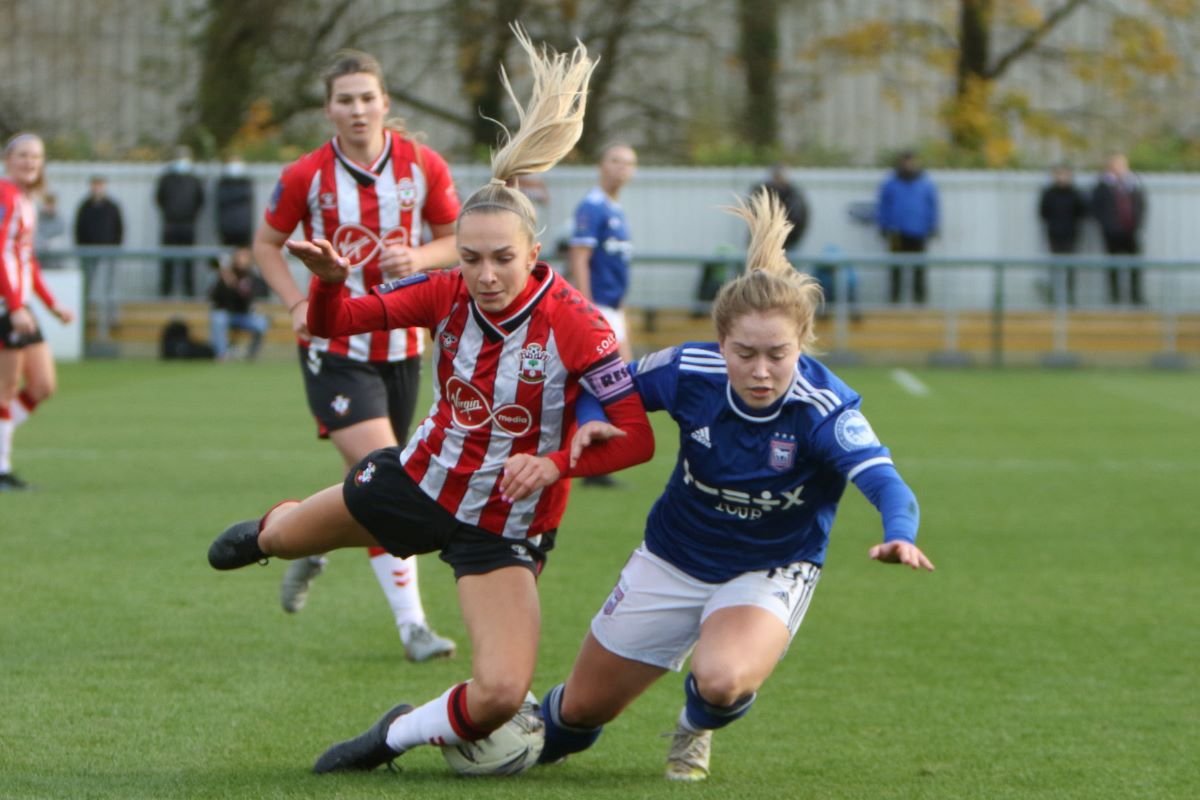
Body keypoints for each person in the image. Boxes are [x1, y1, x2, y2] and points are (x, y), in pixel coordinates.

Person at [207, 28, 654, 774]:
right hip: (418, 483)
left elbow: (634, 437)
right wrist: (324, 279)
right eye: (471, 257)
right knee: (280, 543)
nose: (482, 273)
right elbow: (337, 326)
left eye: (501, 259)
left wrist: (551, 464)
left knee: (503, 694)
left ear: (533, 255)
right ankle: (272, 532)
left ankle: (389, 738)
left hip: (505, 525)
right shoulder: (445, 291)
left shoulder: (579, 325)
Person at [536, 190, 934, 782]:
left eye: (779, 354)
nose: (762, 370)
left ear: (803, 344)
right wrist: (594, 416)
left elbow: (886, 483)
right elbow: (604, 385)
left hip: (771, 567)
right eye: (744, 353)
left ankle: (695, 726)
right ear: (720, 343)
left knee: (720, 680)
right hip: (672, 556)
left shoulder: (821, 408)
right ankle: (525, 742)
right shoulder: (687, 371)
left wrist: (899, 533)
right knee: (578, 711)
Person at [252, 48, 461, 661]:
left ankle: (310, 536)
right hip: (335, 345)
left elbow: (455, 242)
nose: (358, 108)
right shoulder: (305, 176)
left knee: (380, 478)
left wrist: (418, 259)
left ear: (386, 103)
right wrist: (295, 301)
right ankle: (414, 628)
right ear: (329, 110)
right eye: (345, 99)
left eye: (368, 97)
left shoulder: (423, 166)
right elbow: (266, 246)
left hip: (402, 345)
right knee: (389, 473)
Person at [0, 133, 75, 490]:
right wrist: (14, 305)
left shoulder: (25, 200)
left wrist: (52, 304)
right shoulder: (5, 195)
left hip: (20, 304)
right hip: (6, 304)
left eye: (36, 156)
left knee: (42, 385)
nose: (30, 162)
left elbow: (26, 260)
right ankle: (1, 468)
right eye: (23, 155)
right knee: (6, 388)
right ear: (8, 159)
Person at [567, 143, 637, 488]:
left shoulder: (616, 210)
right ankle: (594, 463)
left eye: (628, 163)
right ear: (601, 165)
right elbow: (579, 256)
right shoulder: (592, 207)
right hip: (598, 308)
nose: (621, 168)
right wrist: (587, 305)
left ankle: (596, 460)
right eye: (615, 161)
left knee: (620, 381)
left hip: (613, 307)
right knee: (611, 382)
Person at [877, 150, 939, 305]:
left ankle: (920, 302)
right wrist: (883, 225)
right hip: (896, 233)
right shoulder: (891, 183)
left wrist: (933, 225)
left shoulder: (925, 183)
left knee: (919, 269)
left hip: (919, 232)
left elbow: (933, 206)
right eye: (905, 161)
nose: (908, 165)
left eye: (911, 161)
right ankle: (894, 302)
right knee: (896, 269)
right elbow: (883, 206)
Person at [1091, 153, 1147, 305]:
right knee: (1112, 267)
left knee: (1136, 266)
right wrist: (1108, 225)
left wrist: (1137, 224)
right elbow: (1096, 208)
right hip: (1111, 233)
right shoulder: (1102, 185)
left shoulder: (1134, 182)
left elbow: (1141, 205)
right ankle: (1114, 298)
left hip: (1131, 231)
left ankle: (1136, 297)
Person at [74, 175, 125, 328]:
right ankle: (86, 318)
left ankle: (112, 319)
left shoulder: (112, 206)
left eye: (100, 185)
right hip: (88, 253)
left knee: (111, 287)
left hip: (109, 253)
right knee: (87, 287)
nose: (97, 188)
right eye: (95, 185)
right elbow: (78, 229)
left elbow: (119, 229)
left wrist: (114, 247)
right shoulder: (85, 206)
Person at [155, 146, 205, 297]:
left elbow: (200, 201)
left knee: (188, 261)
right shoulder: (166, 179)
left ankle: (189, 291)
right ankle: (166, 291)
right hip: (170, 224)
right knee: (167, 260)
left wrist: (191, 216)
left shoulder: (194, 179)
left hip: (188, 225)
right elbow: (159, 199)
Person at [1038, 165, 1089, 306]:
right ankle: (1055, 297)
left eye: (1065, 175)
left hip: (1071, 235)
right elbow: (1043, 213)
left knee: (1070, 267)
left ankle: (1070, 297)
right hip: (1054, 235)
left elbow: (1082, 213)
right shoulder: (1049, 193)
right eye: (1059, 175)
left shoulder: (1075, 193)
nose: (1062, 178)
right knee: (1055, 266)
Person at [208, 247, 269, 360]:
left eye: (245, 257)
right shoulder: (225, 274)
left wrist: (233, 283)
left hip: (244, 315)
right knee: (218, 319)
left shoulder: (251, 276)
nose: (242, 260)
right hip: (227, 314)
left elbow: (249, 296)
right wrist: (224, 281)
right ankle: (222, 355)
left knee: (261, 323)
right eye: (240, 257)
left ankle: (251, 355)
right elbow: (213, 297)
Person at [753, 163, 808, 253]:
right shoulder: (762, 192)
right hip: (763, 242)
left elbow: (798, 219)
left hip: (788, 243)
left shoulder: (794, 195)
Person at [215, 154, 254, 247]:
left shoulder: (244, 183)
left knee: (241, 255)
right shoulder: (223, 184)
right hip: (230, 228)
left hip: (240, 228)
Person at [34, 192, 66, 268]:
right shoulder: (36, 219)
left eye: (52, 204)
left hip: (55, 263)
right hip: (40, 261)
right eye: (48, 204)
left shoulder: (60, 220)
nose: (50, 207)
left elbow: (62, 239)